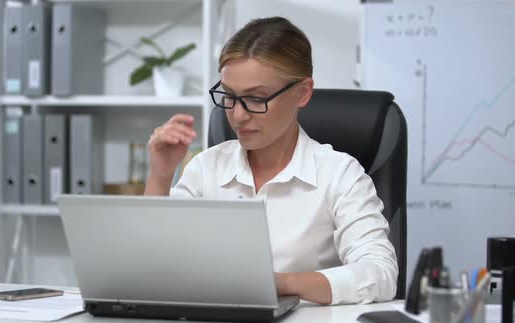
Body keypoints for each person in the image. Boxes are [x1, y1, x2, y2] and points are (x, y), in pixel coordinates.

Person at [144, 16, 398, 305]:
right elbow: (154, 264)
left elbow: (380, 274)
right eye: (229, 96)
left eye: (256, 98)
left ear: (302, 93)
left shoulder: (340, 174)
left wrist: (279, 283)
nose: (238, 116)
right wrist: (160, 176)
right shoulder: (206, 168)